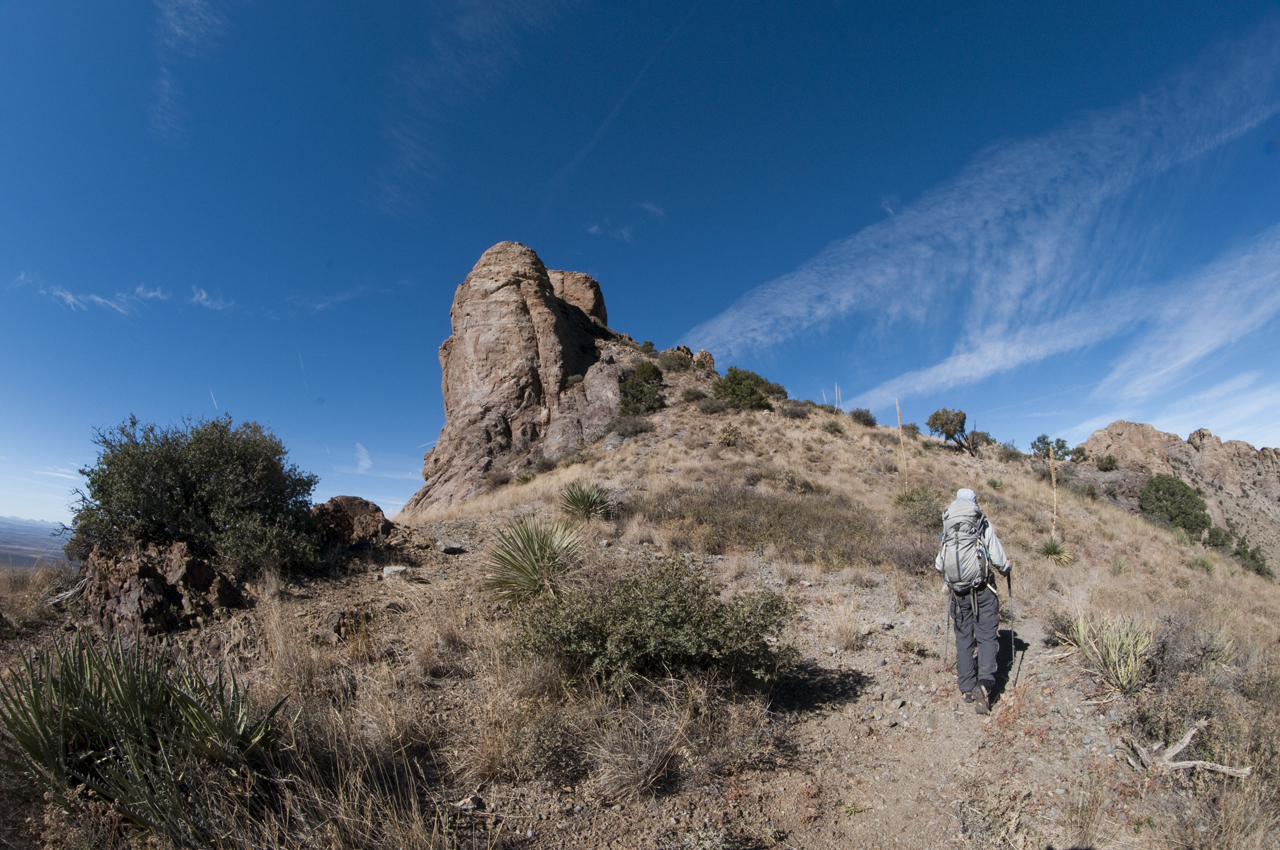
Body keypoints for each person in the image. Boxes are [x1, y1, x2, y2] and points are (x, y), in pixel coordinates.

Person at [935, 488, 1011, 715]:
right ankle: (985, 683)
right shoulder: (980, 522)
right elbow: (997, 557)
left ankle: (967, 687)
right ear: (975, 503)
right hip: (982, 590)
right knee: (987, 636)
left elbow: (940, 563)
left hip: (957, 593)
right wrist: (1006, 569)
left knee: (964, 637)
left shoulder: (949, 523)